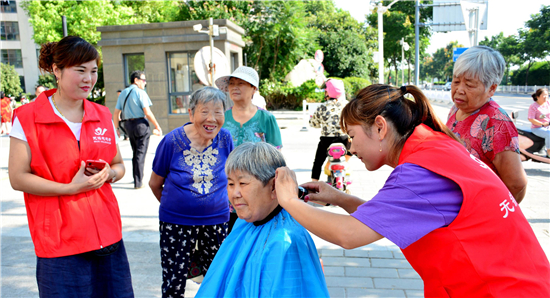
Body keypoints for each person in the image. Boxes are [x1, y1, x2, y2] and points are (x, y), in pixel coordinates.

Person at [274, 84, 550, 297]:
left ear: (380, 127)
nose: (350, 148)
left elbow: (349, 235)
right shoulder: (437, 145)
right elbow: (388, 218)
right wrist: (339, 198)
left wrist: (289, 200)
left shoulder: (420, 172)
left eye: (353, 135)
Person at [8, 36, 133, 297]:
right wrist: (69, 188)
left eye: (93, 71)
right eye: (80, 70)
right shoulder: (28, 118)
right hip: (59, 242)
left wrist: (110, 174)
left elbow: (118, 165)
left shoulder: (101, 115)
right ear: (57, 70)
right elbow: (18, 177)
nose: (88, 78)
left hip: (106, 235)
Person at [195, 142, 329, 298]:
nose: (234, 193)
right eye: (230, 183)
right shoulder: (244, 223)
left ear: (274, 187)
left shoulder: (285, 242)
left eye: (243, 183)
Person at [149, 87, 233, 298]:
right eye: (204, 111)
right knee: (174, 281)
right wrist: (176, 207)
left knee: (217, 278)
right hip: (176, 223)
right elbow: (154, 183)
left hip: (216, 221)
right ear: (191, 113)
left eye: (218, 112)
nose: (212, 118)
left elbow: (232, 178)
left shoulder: (225, 139)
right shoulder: (171, 141)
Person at [445, 46, 527, 203]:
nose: (459, 90)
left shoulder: (497, 122)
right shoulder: (456, 109)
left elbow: (516, 184)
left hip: (478, 210)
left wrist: (493, 215)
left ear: (491, 89)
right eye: (456, 81)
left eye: (469, 85)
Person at [215, 66, 282, 232]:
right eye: (232, 84)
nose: (235, 87)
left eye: (241, 83)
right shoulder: (221, 118)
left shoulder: (266, 118)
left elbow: (276, 159)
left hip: (258, 194)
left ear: (253, 89)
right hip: (226, 192)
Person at [114, 70, 162, 189]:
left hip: (128, 126)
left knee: (135, 152)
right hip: (141, 124)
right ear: (136, 80)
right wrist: (157, 126)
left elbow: (116, 113)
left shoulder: (123, 93)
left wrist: (116, 128)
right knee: (140, 153)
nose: (145, 83)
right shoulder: (140, 93)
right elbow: (147, 112)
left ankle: (136, 178)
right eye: (143, 80)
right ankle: (138, 182)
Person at [309, 78, 351, 181]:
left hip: (326, 141)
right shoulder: (346, 105)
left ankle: (313, 184)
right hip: (343, 139)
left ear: (328, 92)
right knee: (352, 148)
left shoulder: (322, 107)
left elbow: (313, 123)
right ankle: (344, 162)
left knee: (317, 162)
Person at [528, 88, 550, 157]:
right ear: (537, 97)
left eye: (547, 95)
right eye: (544, 95)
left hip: (548, 126)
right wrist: (542, 124)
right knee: (549, 134)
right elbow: (531, 119)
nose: (546, 97)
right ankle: (549, 151)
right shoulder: (533, 106)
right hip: (537, 128)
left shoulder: (548, 103)